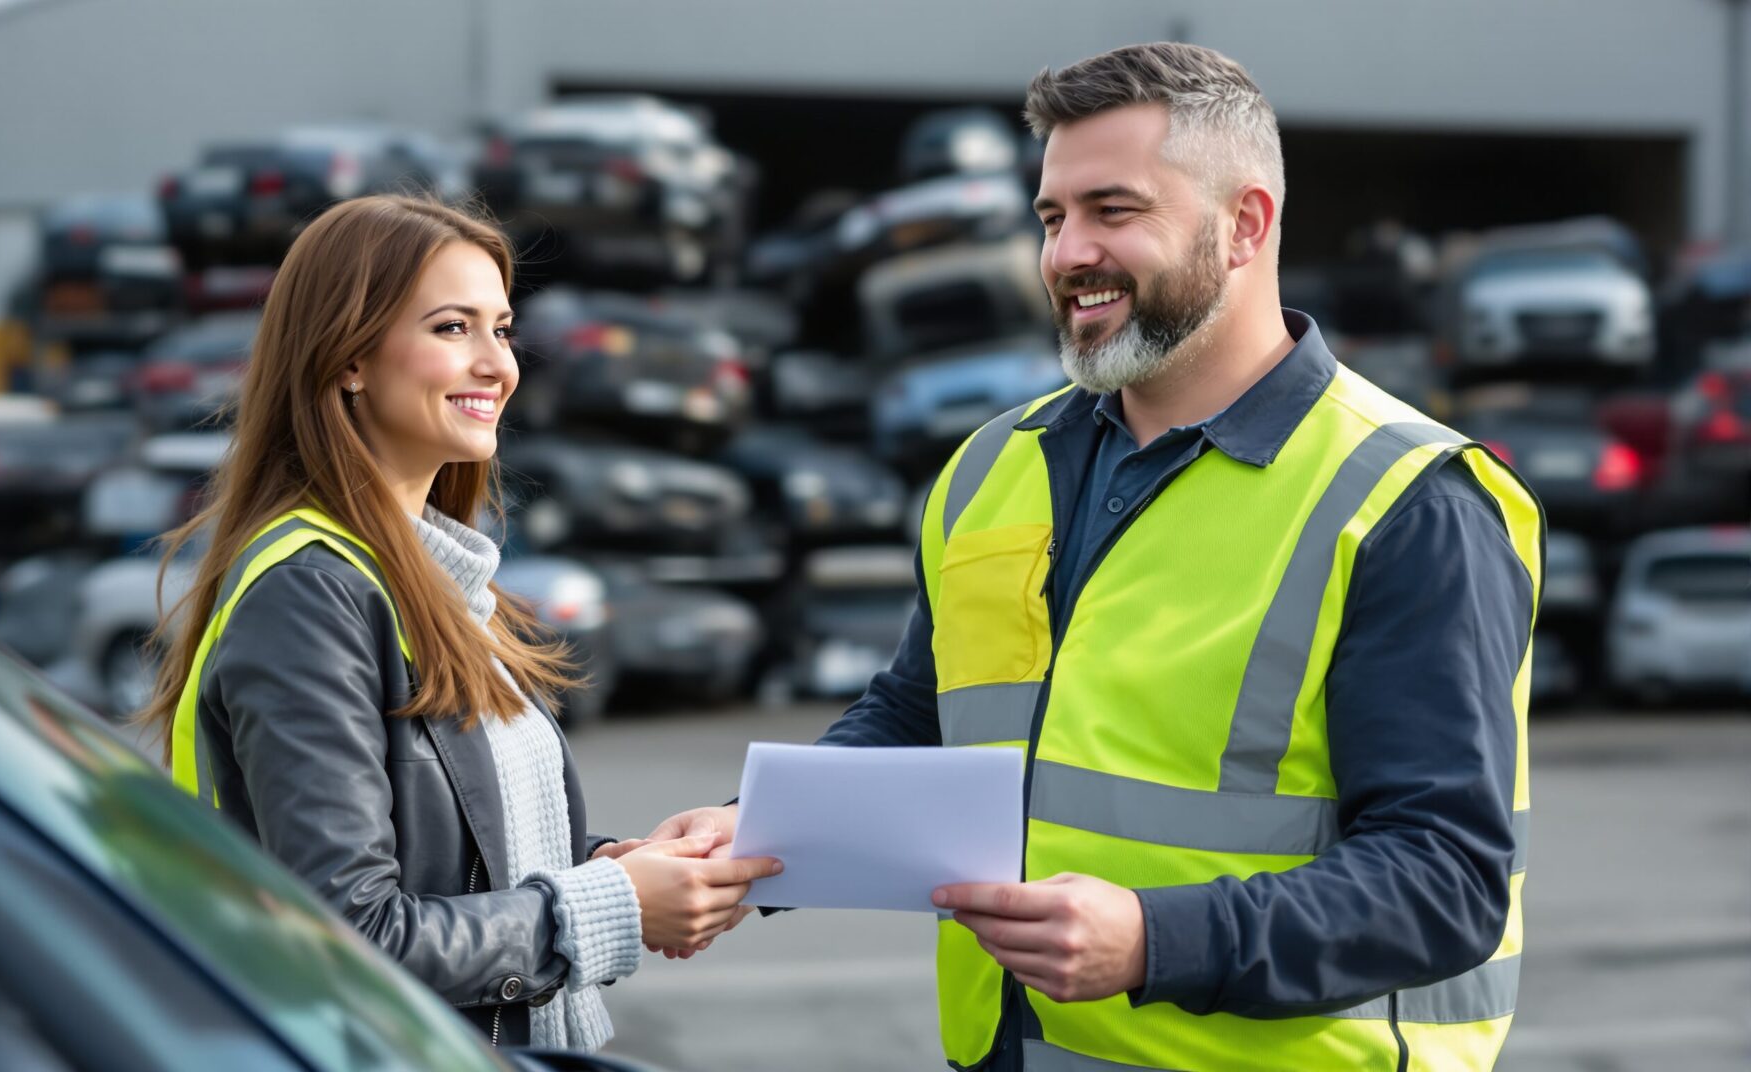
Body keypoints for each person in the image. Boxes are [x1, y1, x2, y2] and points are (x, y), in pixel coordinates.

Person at [645, 43, 1541, 1071]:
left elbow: (1444, 879)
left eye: (1114, 211)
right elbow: (923, 712)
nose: (1068, 254)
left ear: (1244, 225)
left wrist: (1156, 941)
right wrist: (756, 833)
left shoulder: (1406, 500)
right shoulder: (996, 463)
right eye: (1052, 217)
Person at [140, 194, 779, 1051]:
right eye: (452, 328)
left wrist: (617, 871)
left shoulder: (438, 575)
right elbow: (347, 934)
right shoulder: (310, 591)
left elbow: (464, 850)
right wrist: (605, 908)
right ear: (349, 358)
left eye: (502, 329)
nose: (497, 365)